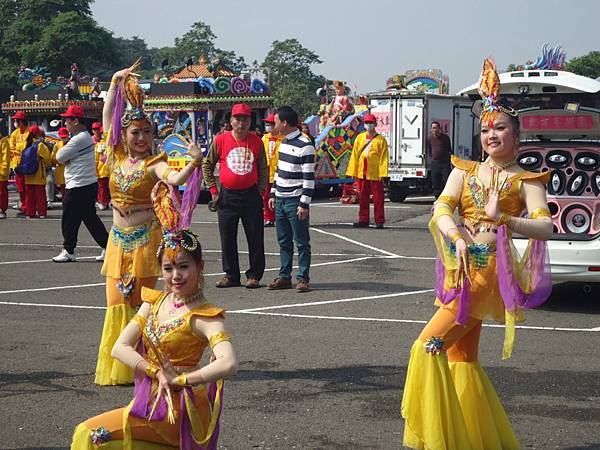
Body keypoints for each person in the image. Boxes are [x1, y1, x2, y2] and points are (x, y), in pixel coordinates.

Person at [401, 58, 553, 450]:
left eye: (500, 127)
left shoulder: (525, 179)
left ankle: (437, 440)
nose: (491, 134)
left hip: (486, 275)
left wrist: (503, 216)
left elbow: (545, 227)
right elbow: (441, 209)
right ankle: (473, 440)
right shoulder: (464, 170)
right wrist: (457, 236)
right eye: (486, 128)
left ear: (516, 136)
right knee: (460, 357)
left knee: (426, 346)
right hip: (457, 268)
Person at [70, 180, 237, 449]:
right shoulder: (154, 302)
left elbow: (228, 363)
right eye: (168, 268)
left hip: (181, 410)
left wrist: (180, 379)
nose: (176, 276)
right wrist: (155, 371)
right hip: (151, 400)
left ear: (200, 267)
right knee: (96, 438)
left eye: (183, 266)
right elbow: (120, 348)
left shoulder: (206, 315)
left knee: (91, 434)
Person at [94, 63, 203, 386]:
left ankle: (143, 366)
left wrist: (194, 162)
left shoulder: (154, 163)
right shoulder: (114, 154)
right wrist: (115, 83)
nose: (141, 138)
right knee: (115, 303)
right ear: (124, 135)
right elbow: (108, 115)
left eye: (146, 133)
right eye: (135, 132)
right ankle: (119, 366)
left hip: (145, 240)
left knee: (140, 303)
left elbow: (174, 178)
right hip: (117, 238)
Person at [202, 103, 268, 289]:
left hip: (251, 195)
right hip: (227, 195)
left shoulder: (256, 141)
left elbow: (263, 168)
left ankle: (254, 275)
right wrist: (214, 191)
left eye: (245, 119)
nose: (241, 123)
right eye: (237, 119)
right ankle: (231, 275)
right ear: (230, 121)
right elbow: (207, 164)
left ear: (250, 121)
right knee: (227, 236)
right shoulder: (221, 140)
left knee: (255, 236)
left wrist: (261, 190)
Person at [267, 106, 315, 293]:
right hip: (280, 199)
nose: (274, 125)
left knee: (301, 241)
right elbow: (278, 170)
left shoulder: (306, 145)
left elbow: (309, 178)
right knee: (283, 240)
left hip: (295, 200)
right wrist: (273, 192)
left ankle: (303, 278)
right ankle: (284, 276)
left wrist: (304, 204)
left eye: (276, 121)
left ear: (285, 123)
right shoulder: (284, 141)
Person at [52, 105, 108, 263]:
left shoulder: (79, 138)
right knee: (90, 219)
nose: (65, 124)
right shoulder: (84, 137)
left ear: (75, 121)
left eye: (67, 120)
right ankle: (108, 247)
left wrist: (66, 157)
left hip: (78, 185)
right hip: (86, 184)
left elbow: (59, 156)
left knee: (69, 219)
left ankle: (68, 250)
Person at [346, 113, 389, 229]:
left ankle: (379, 220)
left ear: (375, 124)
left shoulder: (381, 140)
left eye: (370, 123)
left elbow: (384, 157)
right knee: (363, 197)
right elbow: (355, 155)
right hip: (362, 171)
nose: (368, 125)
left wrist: (383, 173)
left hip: (375, 173)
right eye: (366, 123)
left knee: (378, 198)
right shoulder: (359, 138)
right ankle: (363, 220)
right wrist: (353, 172)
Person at [22, 125, 52, 219]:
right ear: (38, 134)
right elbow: (48, 159)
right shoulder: (40, 145)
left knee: (30, 195)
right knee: (40, 195)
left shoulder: (26, 144)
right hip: (38, 174)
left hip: (28, 174)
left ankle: (30, 213)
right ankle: (42, 212)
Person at [261, 113, 281, 227]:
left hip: (279, 173)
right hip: (267, 173)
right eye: (267, 124)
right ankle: (268, 217)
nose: (268, 126)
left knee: (278, 198)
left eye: (270, 124)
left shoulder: (283, 139)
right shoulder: (264, 138)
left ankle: (279, 217)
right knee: (266, 197)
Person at [8, 111, 29, 214]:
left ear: (23, 121)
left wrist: (18, 147)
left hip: (27, 164)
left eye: (17, 120)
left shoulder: (29, 132)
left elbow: (25, 146)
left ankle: (28, 207)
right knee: (20, 188)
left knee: (27, 187)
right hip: (17, 164)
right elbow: (11, 147)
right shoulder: (15, 133)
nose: (16, 123)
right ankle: (24, 206)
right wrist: (18, 148)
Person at [428, 121, 453, 198]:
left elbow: (449, 150)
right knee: (436, 183)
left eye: (436, 128)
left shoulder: (445, 138)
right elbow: (429, 150)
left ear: (440, 129)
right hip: (435, 164)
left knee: (446, 182)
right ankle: (437, 199)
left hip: (444, 163)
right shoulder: (429, 139)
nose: (435, 130)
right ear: (431, 129)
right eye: (433, 128)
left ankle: (447, 198)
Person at [92, 121, 110, 210]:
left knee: (105, 188)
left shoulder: (109, 144)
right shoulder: (99, 144)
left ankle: (105, 202)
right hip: (102, 170)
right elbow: (96, 158)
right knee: (102, 188)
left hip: (106, 170)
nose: (101, 133)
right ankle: (103, 202)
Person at [50, 127, 69, 202]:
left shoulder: (72, 144)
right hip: (61, 170)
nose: (63, 138)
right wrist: (60, 161)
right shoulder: (57, 145)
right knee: (63, 189)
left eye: (65, 137)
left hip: (70, 168)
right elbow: (53, 158)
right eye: (62, 137)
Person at [0, 131, 9, 219]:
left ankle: (2, 210)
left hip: (1, 172)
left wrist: (3, 170)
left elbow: (5, 157)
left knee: (2, 193)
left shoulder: (3, 141)